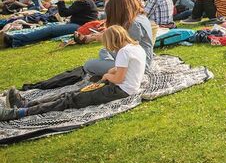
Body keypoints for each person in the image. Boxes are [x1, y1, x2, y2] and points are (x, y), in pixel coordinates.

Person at [0, 26, 146, 121]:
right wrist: (112, 71)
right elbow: (124, 69)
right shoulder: (136, 47)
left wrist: (107, 76)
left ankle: (20, 113)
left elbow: (118, 79)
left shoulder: (123, 52)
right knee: (71, 94)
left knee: (70, 100)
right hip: (125, 87)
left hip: (119, 89)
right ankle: (26, 104)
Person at [1, 0, 98, 48]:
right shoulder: (85, 1)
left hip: (80, 26)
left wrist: (60, 0)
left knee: (50, 30)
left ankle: (13, 39)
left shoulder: (82, 2)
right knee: (49, 32)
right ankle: (14, 41)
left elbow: (64, 13)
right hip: (80, 25)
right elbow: (67, 12)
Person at [84, 0, 154, 76]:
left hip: (138, 66)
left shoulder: (134, 24)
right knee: (104, 51)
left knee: (89, 65)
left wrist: (104, 38)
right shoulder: (139, 17)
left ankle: (116, 70)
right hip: (137, 59)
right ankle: (114, 68)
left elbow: (126, 51)